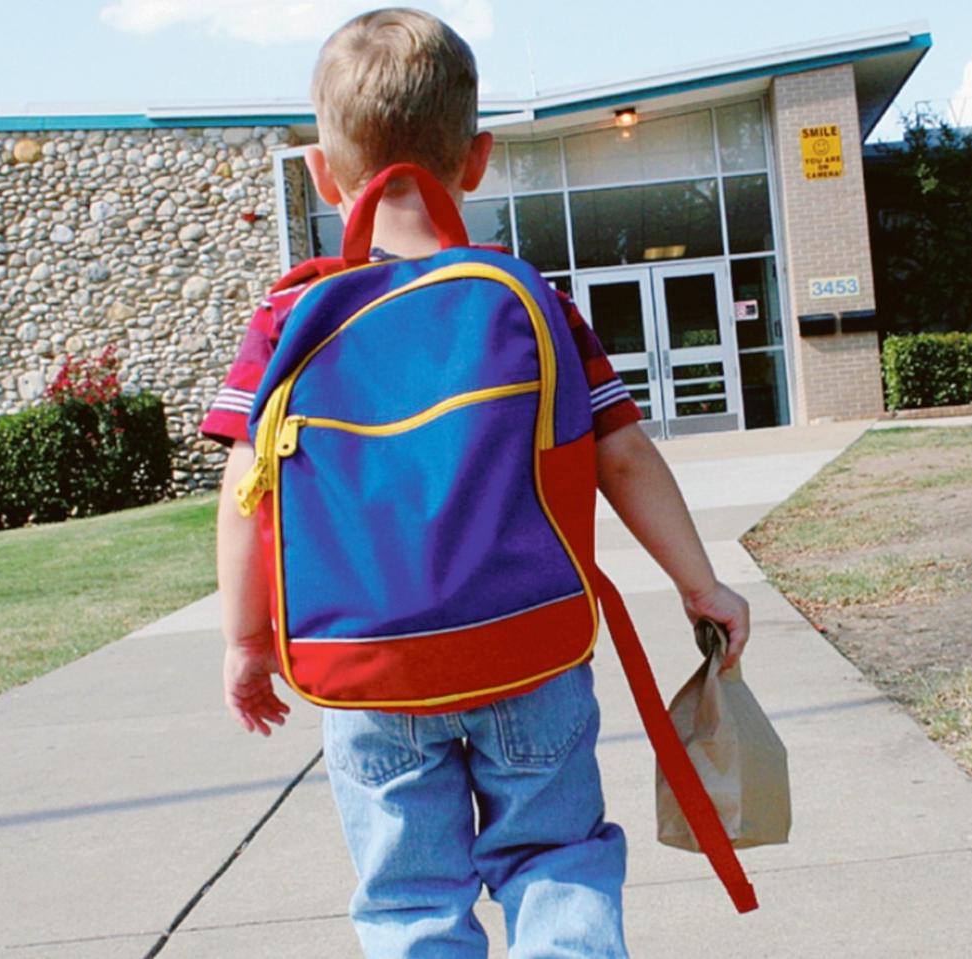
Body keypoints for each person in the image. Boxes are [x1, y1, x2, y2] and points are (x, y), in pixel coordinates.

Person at [202, 9, 750, 957]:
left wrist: (249, 640)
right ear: (480, 157)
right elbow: (623, 451)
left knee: (411, 899)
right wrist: (700, 582)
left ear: (326, 177)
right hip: (529, 651)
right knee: (556, 859)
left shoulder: (288, 313)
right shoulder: (529, 296)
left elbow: (246, 485)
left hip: (368, 669)